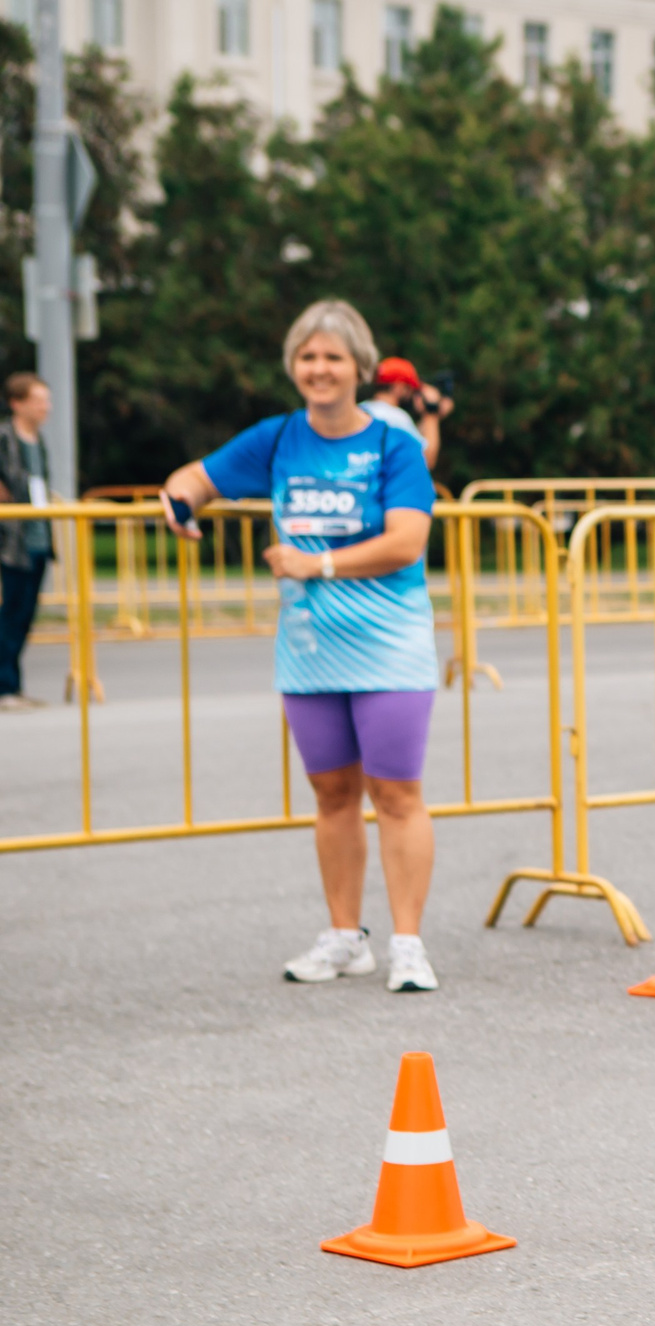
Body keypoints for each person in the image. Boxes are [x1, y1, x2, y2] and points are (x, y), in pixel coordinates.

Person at [157, 300, 443, 988]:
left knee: (396, 794)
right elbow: (194, 477)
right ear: (294, 366)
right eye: (308, 357)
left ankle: (408, 943)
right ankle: (346, 937)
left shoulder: (392, 445)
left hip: (390, 645)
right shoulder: (278, 438)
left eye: (333, 358)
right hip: (310, 650)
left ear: (360, 368)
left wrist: (316, 564)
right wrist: (178, 502)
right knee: (332, 793)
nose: (320, 369)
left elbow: (408, 540)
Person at [0, 374, 56, 710]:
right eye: (38, 400)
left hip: (38, 538)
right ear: (17, 403)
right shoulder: (5, 436)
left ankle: (13, 685)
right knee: (10, 613)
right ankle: (4, 687)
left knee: (24, 615)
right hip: (11, 541)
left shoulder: (38, 440)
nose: (45, 407)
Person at [362, 356, 452, 471]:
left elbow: (413, 441)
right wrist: (431, 412)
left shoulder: (362, 408)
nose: (412, 394)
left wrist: (430, 417)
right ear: (399, 386)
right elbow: (426, 460)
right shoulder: (396, 417)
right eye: (409, 388)